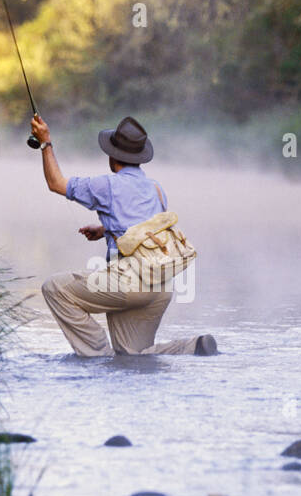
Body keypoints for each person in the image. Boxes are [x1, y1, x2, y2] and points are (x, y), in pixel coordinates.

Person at [30, 112, 218, 357]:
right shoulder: (156, 189)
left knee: (55, 288)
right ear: (139, 157)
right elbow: (144, 228)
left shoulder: (106, 185)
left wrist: (45, 142)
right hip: (160, 287)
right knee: (132, 354)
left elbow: (56, 183)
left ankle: (97, 354)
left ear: (112, 156)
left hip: (129, 282)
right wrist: (104, 230)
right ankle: (194, 346)